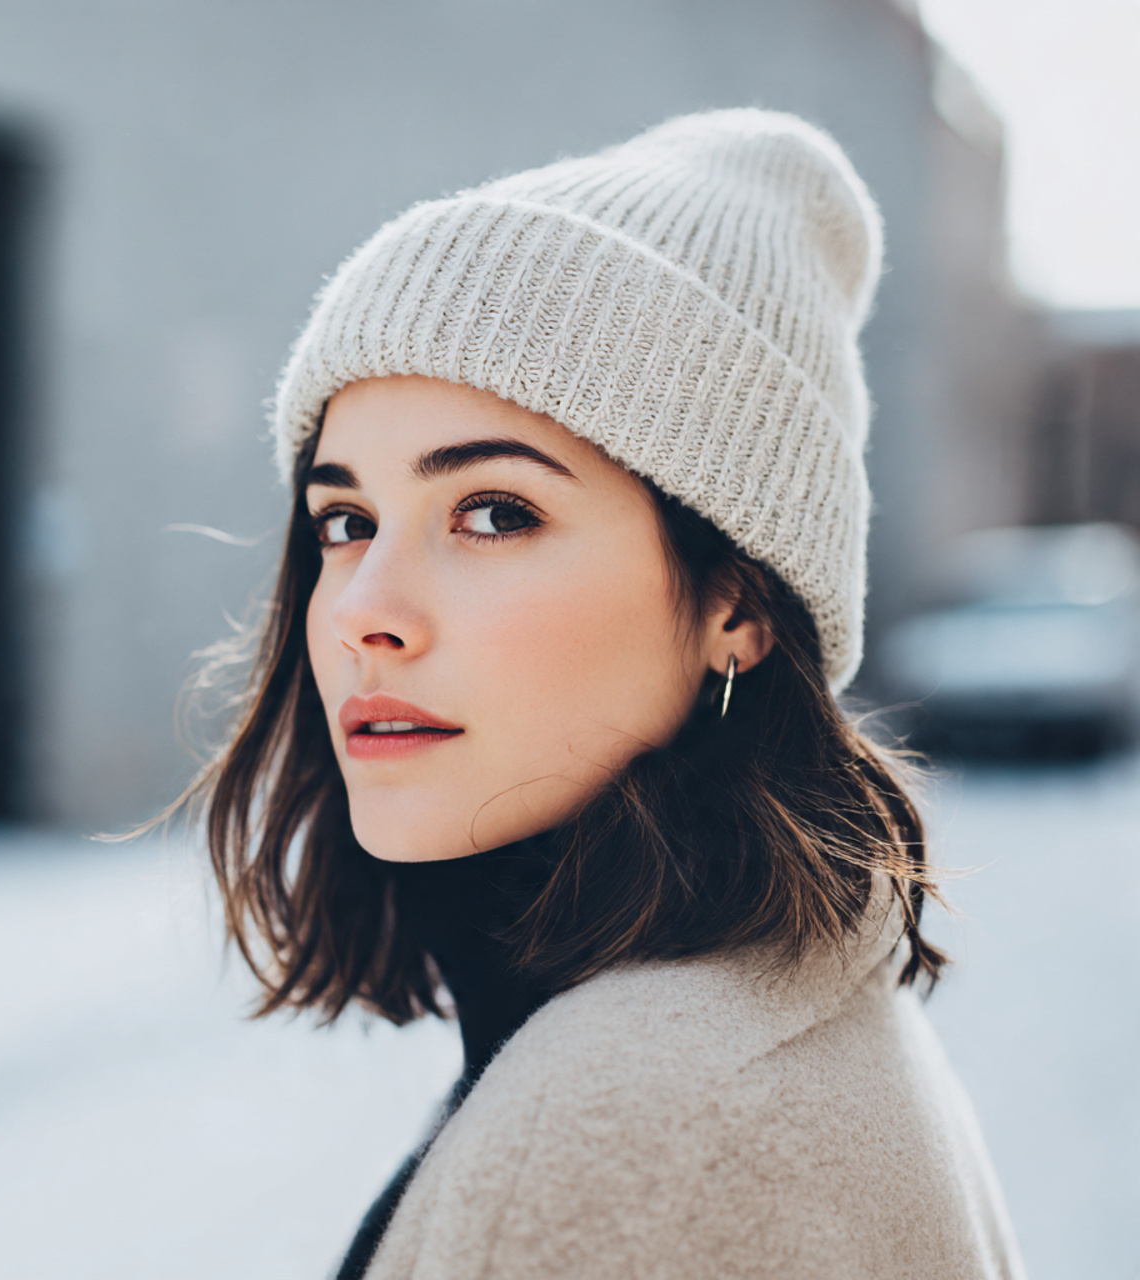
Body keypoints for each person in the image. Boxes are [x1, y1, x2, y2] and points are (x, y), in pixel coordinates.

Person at [183, 110, 1025, 1277]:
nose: (364, 607)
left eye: (492, 512)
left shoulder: (627, 1131)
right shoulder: (767, 1010)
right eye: (345, 519)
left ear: (736, 605)